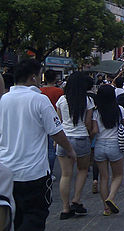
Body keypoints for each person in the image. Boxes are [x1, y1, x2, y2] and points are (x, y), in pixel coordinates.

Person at [0, 59, 76, 230]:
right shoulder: (39, 100)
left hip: (7, 171)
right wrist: (70, 150)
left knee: (14, 216)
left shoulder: (3, 100)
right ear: (33, 77)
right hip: (33, 172)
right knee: (35, 216)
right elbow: (56, 131)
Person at [55, 72, 95, 219]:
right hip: (81, 137)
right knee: (83, 169)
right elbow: (88, 123)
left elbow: (58, 122)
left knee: (66, 174)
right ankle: (76, 199)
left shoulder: (61, 100)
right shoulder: (88, 100)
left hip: (64, 139)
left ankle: (65, 208)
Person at [92, 85, 124, 216]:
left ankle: (106, 208)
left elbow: (94, 130)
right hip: (114, 145)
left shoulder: (95, 111)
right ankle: (111, 197)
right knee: (118, 175)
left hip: (99, 145)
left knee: (103, 177)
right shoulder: (119, 109)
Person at [40, 69, 64, 175]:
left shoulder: (39, 91)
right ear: (55, 79)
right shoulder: (59, 92)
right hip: (54, 121)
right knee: (51, 149)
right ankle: (49, 172)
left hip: (40, 122)